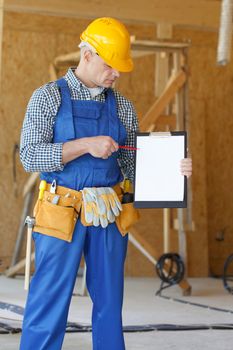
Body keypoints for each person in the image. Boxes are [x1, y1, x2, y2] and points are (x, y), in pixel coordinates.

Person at [19, 17, 192, 350]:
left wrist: (174, 170)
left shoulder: (122, 106)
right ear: (87, 54)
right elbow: (29, 155)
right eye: (111, 65)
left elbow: (131, 165)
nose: (117, 74)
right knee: (49, 300)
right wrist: (86, 144)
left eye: (120, 68)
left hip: (108, 213)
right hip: (61, 211)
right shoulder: (47, 98)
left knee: (110, 304)